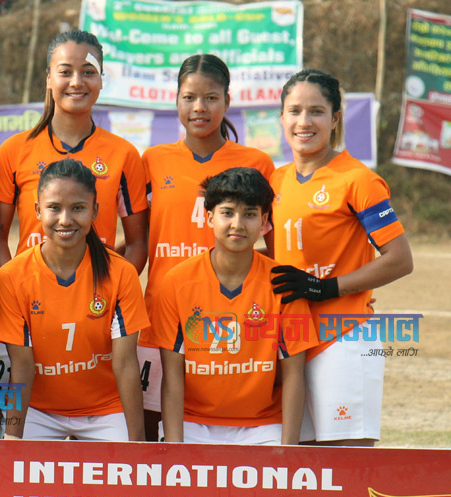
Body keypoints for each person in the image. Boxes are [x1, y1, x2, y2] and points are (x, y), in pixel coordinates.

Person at [0, 30, 148, 435]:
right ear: (48, 78)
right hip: (28, 310)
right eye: (65, 71)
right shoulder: (14, 151)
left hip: (96, 313)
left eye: (88, 72)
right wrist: (20, 293)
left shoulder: (124, 154)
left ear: (102, 80)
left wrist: (103, 296)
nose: (77, 81)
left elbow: (138, 242)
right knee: (18, 442)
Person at [268, 69, 413, 446]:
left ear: (335, 119)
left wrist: (327, 288)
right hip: (291, 340)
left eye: (316, 111)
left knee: (348, 462)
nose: (304, 121)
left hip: (344, 336)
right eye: (294, 111)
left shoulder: (358, 179)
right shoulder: (275, 181)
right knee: (297, 464)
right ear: (281, 117)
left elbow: (400, 259)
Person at [136, 54, 276, 441]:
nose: (199, 107)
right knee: (152, 434)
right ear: (176, 101)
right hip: (161, 317)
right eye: (189, 97)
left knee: (230, 424)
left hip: (235, 318)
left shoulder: (256, 163)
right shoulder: (152, 161)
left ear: (228, 101)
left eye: (211, 98)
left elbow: (274, 248)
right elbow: (141, 240)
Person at [153, 168, 317, 445]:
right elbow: (172, 377)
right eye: (227, 213)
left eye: (249, 214)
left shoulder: (284, 284)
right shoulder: (177, 282)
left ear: (264, 220)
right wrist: (175, 448)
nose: (238, 224)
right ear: (209, 217)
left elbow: (293, 376)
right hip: (193, 423)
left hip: (262, 426)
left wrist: (288, 452)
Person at [0, 159, 148, 441]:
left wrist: (136, 445)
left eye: (78, 208)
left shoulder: (121, 273)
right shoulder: (12, 277)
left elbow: (125, 364)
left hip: (104, 410)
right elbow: (22, 367)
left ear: (94, 211)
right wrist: (12, 439)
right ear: (38, 210)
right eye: (54, 208)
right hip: (38, 410)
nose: (65, 220)